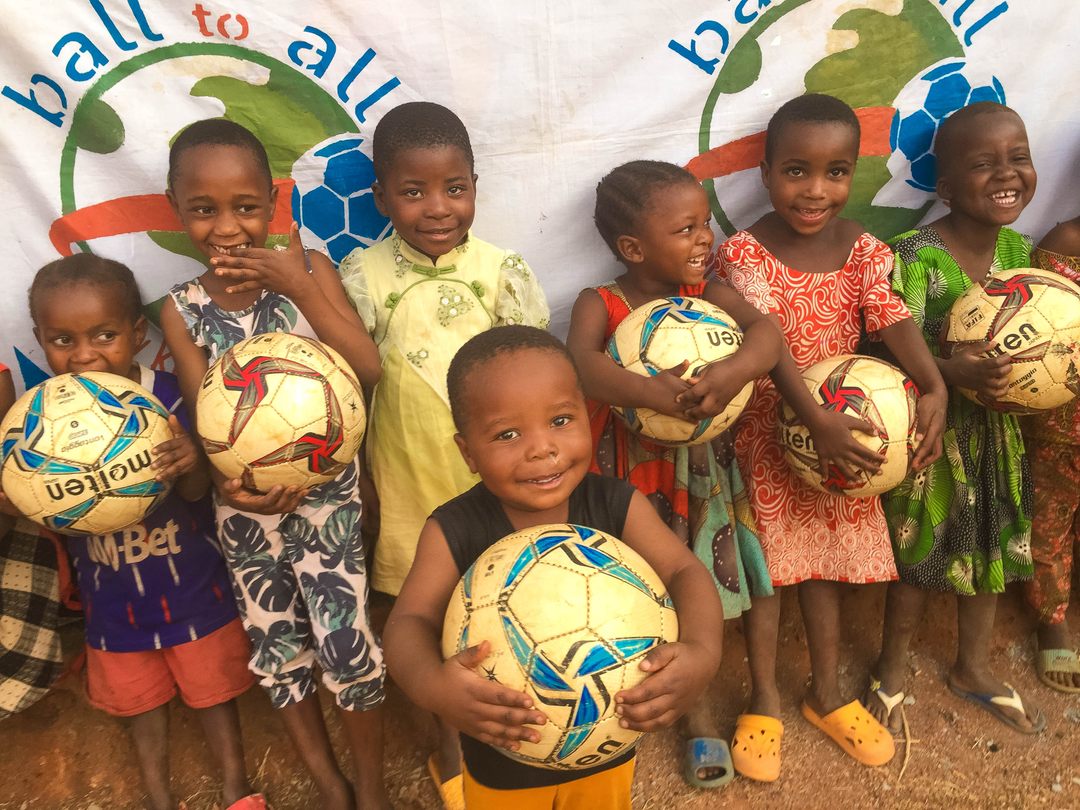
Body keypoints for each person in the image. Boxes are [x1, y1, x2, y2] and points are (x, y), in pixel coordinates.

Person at [384, 325, 724, 809]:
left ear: (587, 418)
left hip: (610, 742)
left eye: (561, 420)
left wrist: (704, 652)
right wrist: (433, 687)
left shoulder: (617, 505)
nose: (542, 448)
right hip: (503, 755)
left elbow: (683, 572)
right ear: (468, 453)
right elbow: (408, 621)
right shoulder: (453, 529)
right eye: (507, 434)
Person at [159, 119, 389, 810]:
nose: (227, 228)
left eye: (245, 207)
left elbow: (368, 369)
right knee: (278, 648)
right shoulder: (182, 309)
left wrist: (301, 286)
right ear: (176, 211)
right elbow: (208, 423)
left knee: (347, 642)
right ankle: (331, 789)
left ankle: (372, 793)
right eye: (204, 210)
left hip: (329, 500)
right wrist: (234, 486)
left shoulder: (309, 271)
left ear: (274, 202)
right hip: (244, 511)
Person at [717, 94, 947, 780]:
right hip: (769, 435)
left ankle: (826, 693)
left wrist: (933, 385)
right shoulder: (744, 253)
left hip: (841, 444)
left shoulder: (863, 250)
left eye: (835, 172)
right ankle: (762, 699)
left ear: (855, 174)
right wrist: (812, 419)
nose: (815, 190)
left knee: (825, 569)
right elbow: (766, 339)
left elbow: (891, 316)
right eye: (796, 171)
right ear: (764, 173)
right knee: (767, 576)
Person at [337, 100, 549, 804]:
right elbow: (351, 388)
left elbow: (534, 374)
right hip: (407, 484)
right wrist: (360, 477)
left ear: (476, 188)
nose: (437, 208)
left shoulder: (500, 271)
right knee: (426, 621)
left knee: (504, 606)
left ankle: (521, 730)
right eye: (413, 191)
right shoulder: (364, 275)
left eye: (455, 189)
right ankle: (450, 751)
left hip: (493, 485)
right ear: (380, 197)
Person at [16, 254, 261, 810]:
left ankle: (236, 789)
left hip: (193, 592)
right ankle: (157, 798)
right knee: (141, 707)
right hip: (112, 603)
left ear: (138, 335)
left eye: (104, 335)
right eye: (62, 340)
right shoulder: (37, 422)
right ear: (40, 340)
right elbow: (43, 510)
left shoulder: (169, 397)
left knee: (215, 697)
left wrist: (190, 461)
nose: (84, 355)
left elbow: (199, 492)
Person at [565, 160, 781, 788]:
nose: (705, 238)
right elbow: (580, 365)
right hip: (636, 475)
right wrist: (649, 393)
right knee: (663, 587)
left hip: (706, 469)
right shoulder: (601, 303)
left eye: (705, 223)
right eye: (686, 229)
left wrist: (732, 371)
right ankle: (697, 713)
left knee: (729, 573)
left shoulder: (708, 295)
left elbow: (767, 335)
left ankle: (764, 692)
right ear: (633, 248)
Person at [864, 101, 1045, 734]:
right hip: (932, 432)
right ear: (944, 188)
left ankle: (973, 667)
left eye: (1018, 158)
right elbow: (883, 346)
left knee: (993, 543)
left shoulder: (1022, 252)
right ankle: (890, 668)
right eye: (983, 164)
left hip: (997, 434)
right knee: (918, 550)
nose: (1006, 173)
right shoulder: (914, 256)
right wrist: (948, 372)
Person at [1023, 218, 1080, 692]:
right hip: (1062, 424)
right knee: (1049, 524)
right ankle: (1051, 619)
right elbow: (1038, 327)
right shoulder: (1065, 244)